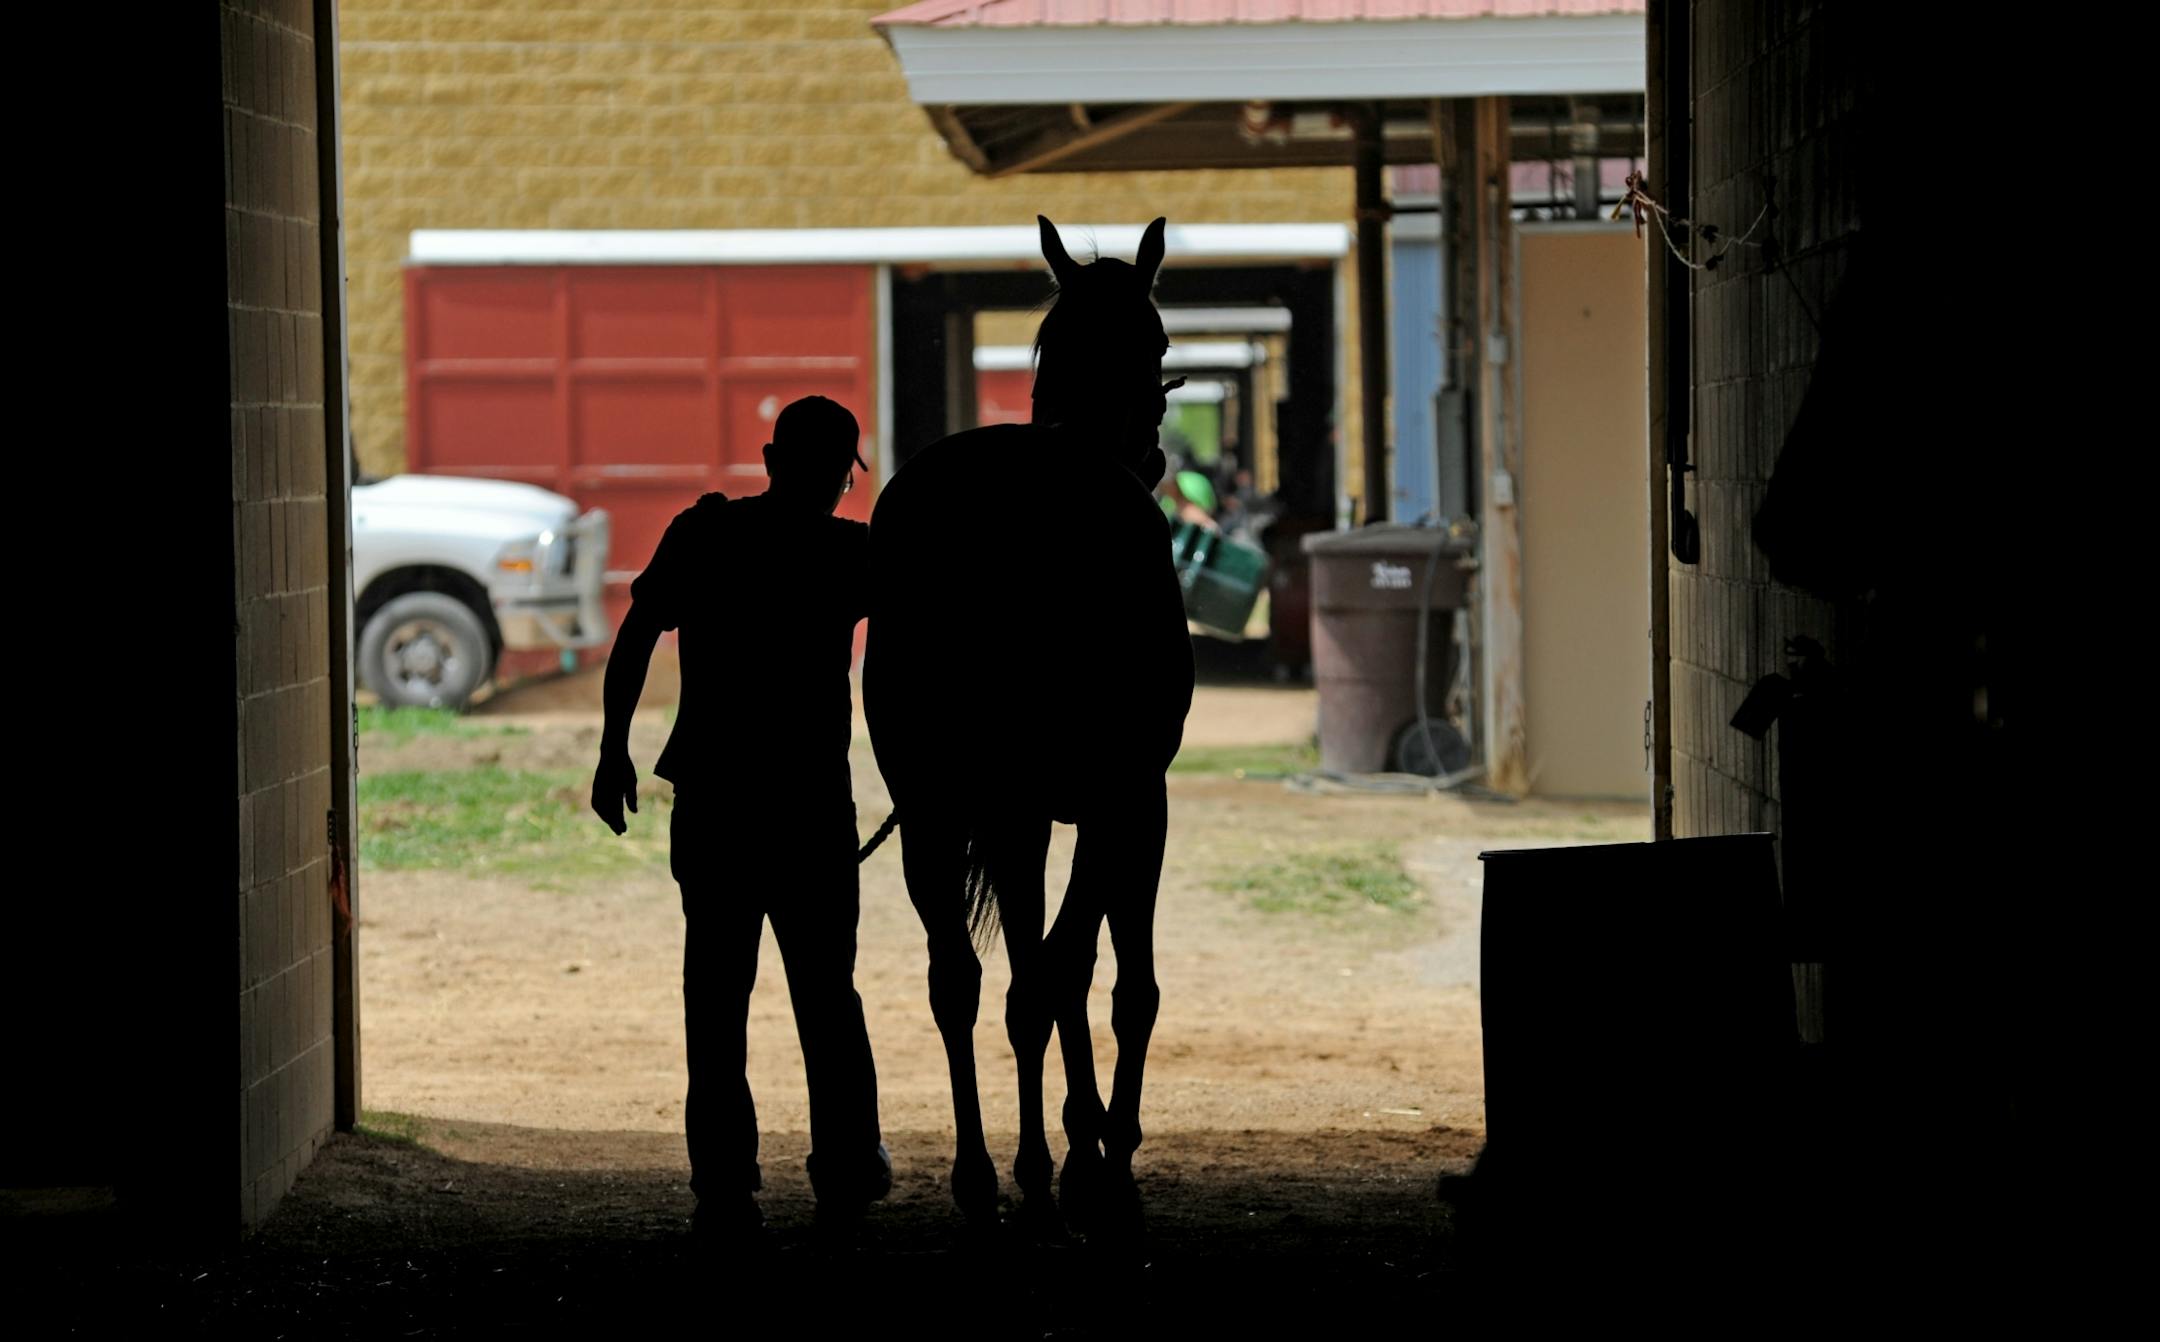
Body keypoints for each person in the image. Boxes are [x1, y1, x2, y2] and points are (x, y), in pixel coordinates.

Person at [590, 395, 890, 1245]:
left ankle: (724, 1188)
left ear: (769, 459)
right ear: (840, 477)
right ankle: (846, 1169)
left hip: (717, 803)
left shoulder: (706, 535)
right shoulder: (851, 554)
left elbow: (637, 635)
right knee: (827, 996)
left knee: (716, 998)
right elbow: (938, 638)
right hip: (809, 808)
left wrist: (614, 751)